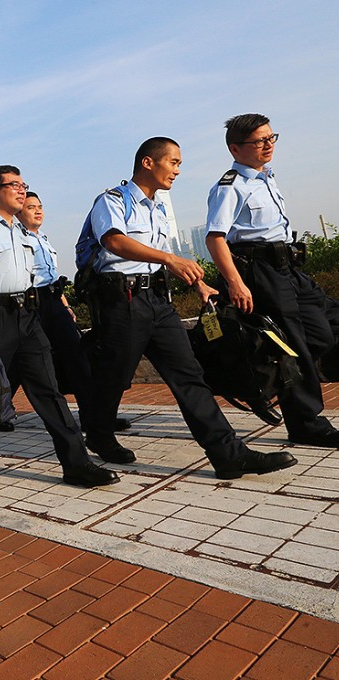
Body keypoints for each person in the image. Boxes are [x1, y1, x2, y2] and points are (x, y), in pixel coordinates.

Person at [78, 137, 296, 479]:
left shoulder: (160, 207)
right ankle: (99, 433)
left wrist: (197, 283)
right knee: (114, 376)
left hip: (158, 303)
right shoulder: (113, 200)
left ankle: (228, 455)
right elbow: (114, 241)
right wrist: (169, 258)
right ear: (148, 163)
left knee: (190, 376)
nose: (178, 170)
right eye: (174, 162)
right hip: (123, 301)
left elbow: (166, 262)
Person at [0, 164, 118, 487]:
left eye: (23, 184)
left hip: (28, 316)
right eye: (13, 184)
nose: (21, 189)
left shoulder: (23, 231)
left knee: (49, 390)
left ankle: (76, 463)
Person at [205, 113, 339, 447]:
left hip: (288, 267)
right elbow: (215, 239)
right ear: (236, 149)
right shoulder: (231, 186)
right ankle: (306, 424)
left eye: (271, 137)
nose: (268, 145)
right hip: (260, 271)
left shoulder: (266, 178)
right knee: (291, 342)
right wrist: (235, 283)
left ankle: (271, 380)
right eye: (259, 141)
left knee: (325, 327)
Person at [19, 192, 131, 435]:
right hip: (32, 305)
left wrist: (66, 306)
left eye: (40, 206)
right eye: (31, 207)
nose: (38, 211)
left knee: (78, 360)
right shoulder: (15, 240)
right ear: (19, 212)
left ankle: (95, 420)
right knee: (27, 365)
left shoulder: (44, 240)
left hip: (53, 303)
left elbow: (52, 280)